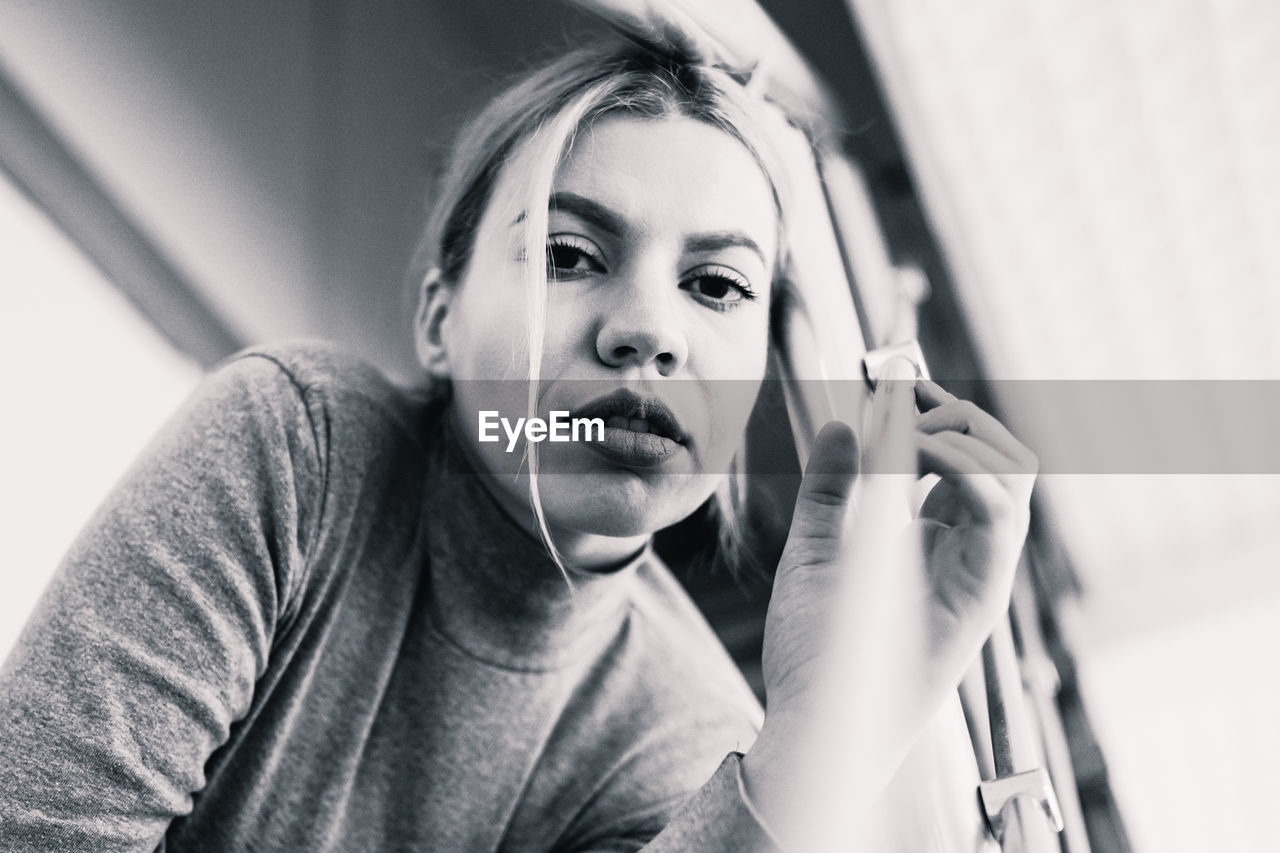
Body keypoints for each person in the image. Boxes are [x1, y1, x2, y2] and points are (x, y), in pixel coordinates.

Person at [0, 35, 1036, 852]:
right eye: (571, 253)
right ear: (438, 320)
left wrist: (816, 745)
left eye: (715, 286)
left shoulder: (689, 738)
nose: (649, 331)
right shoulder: (295, 447)